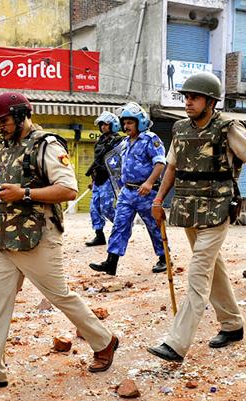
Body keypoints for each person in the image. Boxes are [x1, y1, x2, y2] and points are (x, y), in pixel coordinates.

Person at [0, 92, 118, 393]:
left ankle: (104, 341)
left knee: (59, 296)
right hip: (6, 238)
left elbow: (68, 189)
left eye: (4, 120)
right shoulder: (5, 149)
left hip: (38, 237)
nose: (0, 127)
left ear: (20, 116)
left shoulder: (47, 145)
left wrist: (24, 194)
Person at [147, 72, 245, 363]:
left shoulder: (228, 128)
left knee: (198, 273)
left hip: (217, 210)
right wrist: (157, 199)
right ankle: (233, 325)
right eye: (186, 97)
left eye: (194, 97)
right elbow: (172, 168)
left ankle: (176, 344)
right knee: (213, 267)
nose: (188, 102)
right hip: (188, 209)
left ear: (211, 102)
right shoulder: (179, 128)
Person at [89, 102, 168, 276]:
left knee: (154, 226)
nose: (126, 126)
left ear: (139, 122)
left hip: (146, 192)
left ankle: (164, 258)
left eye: (130, 123)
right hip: (127, 192)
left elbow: (160, 163)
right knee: (119, 225)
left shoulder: (150, 139)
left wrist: (148, 183)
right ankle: (111, 262)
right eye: (124, 123)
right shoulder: (125, 142)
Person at [84, 111, 123, 246]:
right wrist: (92, 180)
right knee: (94, 208)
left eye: (106, 124)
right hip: (98, 178)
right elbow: (97, 161)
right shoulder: (100, 141)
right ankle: (99, 236)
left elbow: (118, 161)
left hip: (109, 179)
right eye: (101, 125)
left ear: (113, 125)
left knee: (106, 208)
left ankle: (122, 226)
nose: (103, 127)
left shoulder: (119, 141)